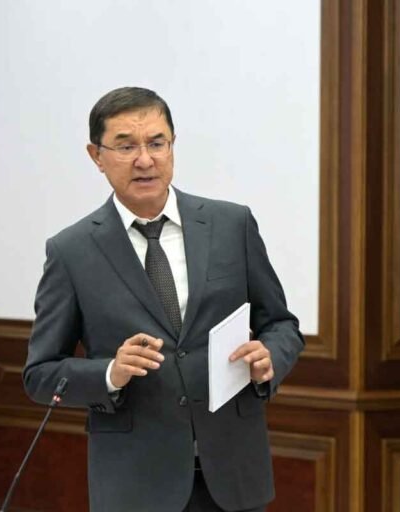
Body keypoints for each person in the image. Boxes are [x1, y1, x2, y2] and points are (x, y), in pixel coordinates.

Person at [23, 87, 304, 512]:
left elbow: (281, 325)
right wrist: (110, 373)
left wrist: (270, 358)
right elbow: (40, 375)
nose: (145, 160)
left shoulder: (231, 225)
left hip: (233, 476)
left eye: (157, 143)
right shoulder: (71, 251)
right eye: (125, 146)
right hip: (135, 485)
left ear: (172, 146)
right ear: (96, 156)